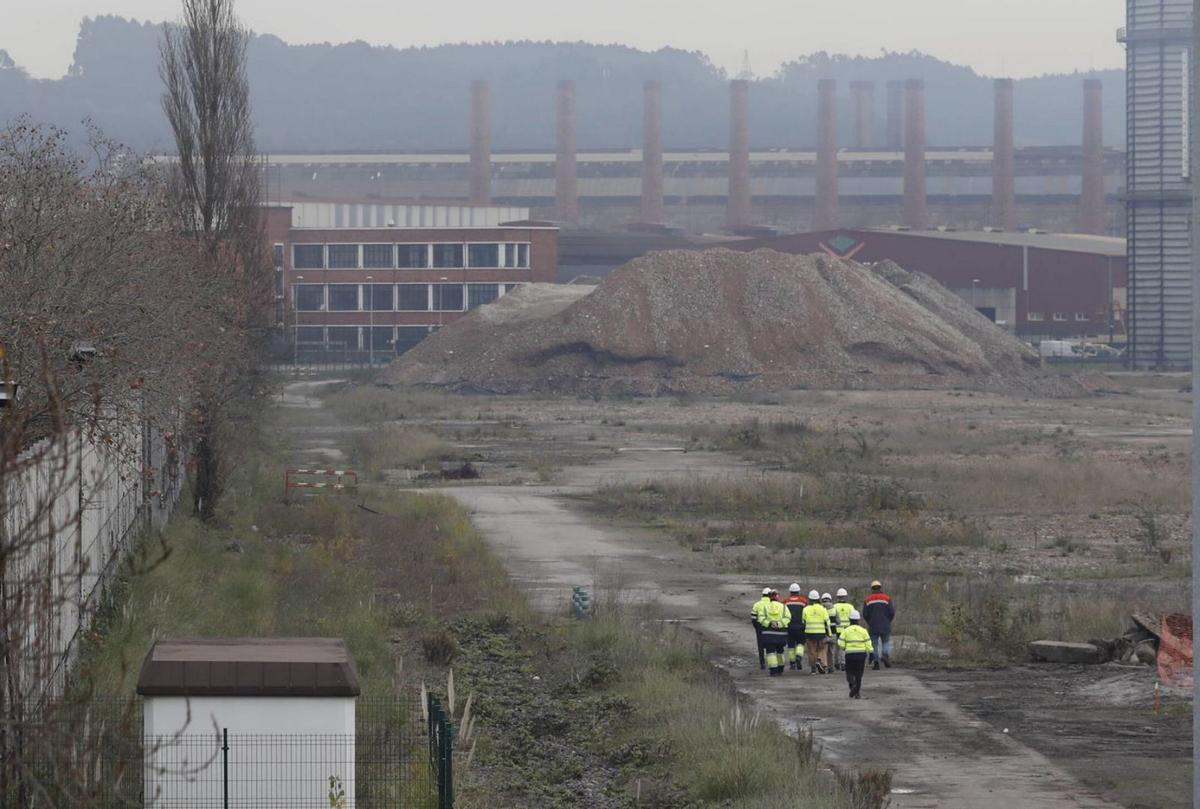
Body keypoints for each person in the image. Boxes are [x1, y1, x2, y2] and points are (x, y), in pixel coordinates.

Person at [837, 609, 874, 699]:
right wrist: (871, 653)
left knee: (849, 672)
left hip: (850, 655)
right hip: (861, 655)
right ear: (858, 619)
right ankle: (857, 693)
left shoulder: (846, 630)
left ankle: (853, 685)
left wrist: (844, 647)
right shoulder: (863, 631)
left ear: (850, 619)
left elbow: (840, 643)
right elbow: (868, 643)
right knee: (859, 674)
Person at [862, 580, 896, 670]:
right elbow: (892, 612)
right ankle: (885, 656)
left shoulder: (867, 600)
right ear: (880, 588)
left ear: (871, 589)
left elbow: (865, 614)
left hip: (873, 626)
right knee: (885, 643)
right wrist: (888, 620)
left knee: (874, 645)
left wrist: (870, 622)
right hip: (885, 625)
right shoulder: (887, 598)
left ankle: (876, 662)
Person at [757, 591, 791, 677]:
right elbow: (788, 618)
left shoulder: (765, 607)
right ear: (777, 597)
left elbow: (760, 619)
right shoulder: (783, 607)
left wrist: (770, 623)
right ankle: (780, 668)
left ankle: (773, 670)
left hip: (768, 634)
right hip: (781, 634)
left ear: (769, 597)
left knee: (770, 652)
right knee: (780, 651)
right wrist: (779, 624)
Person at [801, 589, 832, 674]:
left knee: (811, 651)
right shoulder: (823, 609)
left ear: (809, 599)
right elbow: (827, 622)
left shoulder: (805, 609)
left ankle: (813, 670)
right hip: (821, 633)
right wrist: (829, 634)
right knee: (821, 649)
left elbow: (803, 622)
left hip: (809, 633)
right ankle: (819, 660)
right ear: (818, 598)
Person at [783, 584, 808, 671]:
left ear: (790, 591)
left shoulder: (786, 601)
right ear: (798, 591)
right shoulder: (803, 601)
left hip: (789, 626)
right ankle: (799, 656)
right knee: (800, 643)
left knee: (790, 646)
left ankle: (792, 663)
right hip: (801, 626)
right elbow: (806, 613)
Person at [831, 588, 855, 672]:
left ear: (837, 597)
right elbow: (853, 618)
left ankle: (836, 663)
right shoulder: (850, 607)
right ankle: (843, 663)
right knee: (843, 647)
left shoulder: (834, 606)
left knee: (836, 647)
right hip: (847, 630)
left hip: (837, 630)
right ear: (845, 596)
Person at [750, 587, 772, 670]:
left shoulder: (757, 604)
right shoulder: (773, 603)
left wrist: (756, 626)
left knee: (760, 645)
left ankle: (762, 663)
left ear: (762, 595)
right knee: (771, 644)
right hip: (770, 626)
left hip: (759, 626)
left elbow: (753, 617)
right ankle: (771, 662)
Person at [820, 593, 837, 671]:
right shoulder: (834, 609)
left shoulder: (821, 609)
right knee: (831, 652)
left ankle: (824, 666)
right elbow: (839, 622)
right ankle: (831, 667)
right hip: (833, 633)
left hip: (824, 634)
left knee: (824, 651)